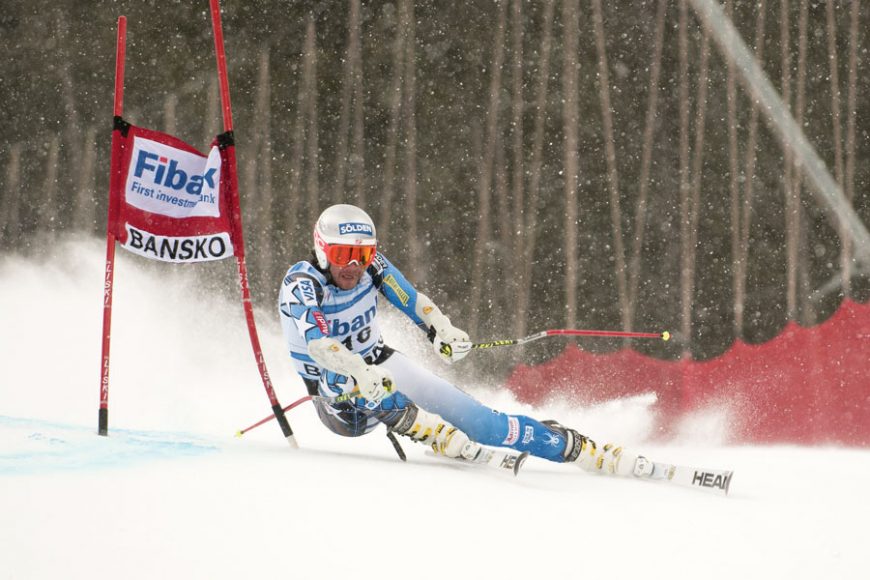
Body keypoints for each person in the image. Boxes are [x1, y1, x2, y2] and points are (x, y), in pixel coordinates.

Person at [278, 203, 653, 477]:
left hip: (378, 363)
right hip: (336, 394)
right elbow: (318, 344)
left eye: (362, 254)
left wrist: (442, 329)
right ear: (323, 250)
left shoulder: (372, 269)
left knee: (482, 423)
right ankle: (434, 433)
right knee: (350, 378)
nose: (354, 267)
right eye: (344, 255)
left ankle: (573, 447)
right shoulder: (302, 283)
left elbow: (412, 301)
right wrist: (359, 370)